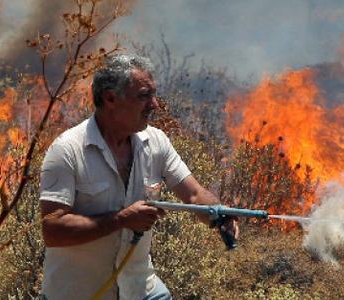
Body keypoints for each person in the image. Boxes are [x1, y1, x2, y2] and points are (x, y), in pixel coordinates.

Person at [38, 53, 238, 300]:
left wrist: (219, 214)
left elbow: (194, 193)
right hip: (78, 293)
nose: (154, 105)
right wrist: (121, 219)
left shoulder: (156, 142)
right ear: (110, 98)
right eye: (144, 96)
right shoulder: (67, 150)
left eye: (153, 94)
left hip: (141, 290)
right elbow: (53, 229)